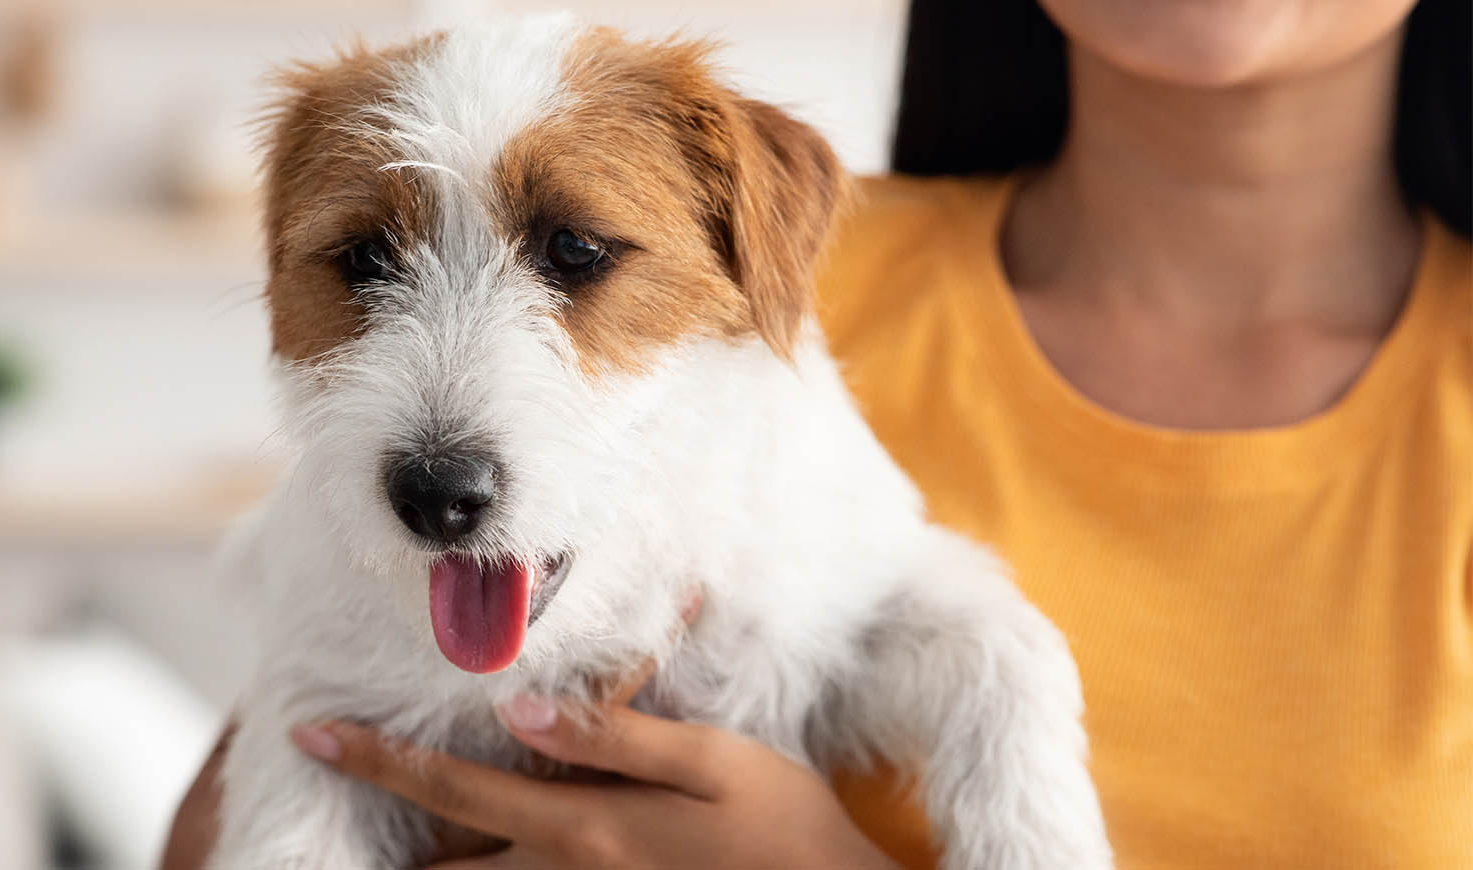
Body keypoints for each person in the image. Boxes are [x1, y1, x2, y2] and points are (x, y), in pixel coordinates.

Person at [163, 0, 1472, 866]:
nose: (449, 377)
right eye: (365, 262)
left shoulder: (759, 276)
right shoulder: (817, 271)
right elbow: (253, 795)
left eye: (572, 252)